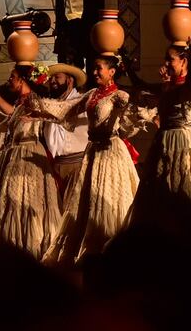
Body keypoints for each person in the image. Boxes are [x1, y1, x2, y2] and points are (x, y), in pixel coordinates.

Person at [39, 55, 141, 268]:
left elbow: (128, 123)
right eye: (93, 68)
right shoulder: (92, 94)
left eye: (99, 68)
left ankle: (115, 248)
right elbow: (67, 109)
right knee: (88, 200)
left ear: (112, 72)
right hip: (93, 151)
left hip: (111, 151)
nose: (94, 73)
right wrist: (38, 107)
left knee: (111, 196)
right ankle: (92, 249)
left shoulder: (119, 95)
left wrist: (134, 113)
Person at [126, 39, 191, 233]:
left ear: (184, 62)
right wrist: (128, 66)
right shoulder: (167, 86)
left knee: (184, 189)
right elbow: (141, 86)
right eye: (166, 59)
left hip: (182, 141)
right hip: (162, 141)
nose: (166, 63)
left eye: (170, 60)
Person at [0, 64, 62, 261]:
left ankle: (26, 244)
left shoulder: (34, 100)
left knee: (22, 198)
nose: (10, 80)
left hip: (27, 151)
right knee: (8, 199)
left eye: (13, 77)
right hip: (15, 152)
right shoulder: (21, 101)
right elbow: (15, 119)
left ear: (22, 80)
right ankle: (11, 243)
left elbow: (21, 115)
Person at [43, 63, 88, 201]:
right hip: (56, 167)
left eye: (57, 77)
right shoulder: (51, 105)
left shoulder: (81, 101)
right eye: (51, 78)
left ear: (70, 80)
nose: (52, 81)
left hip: (77, 166)